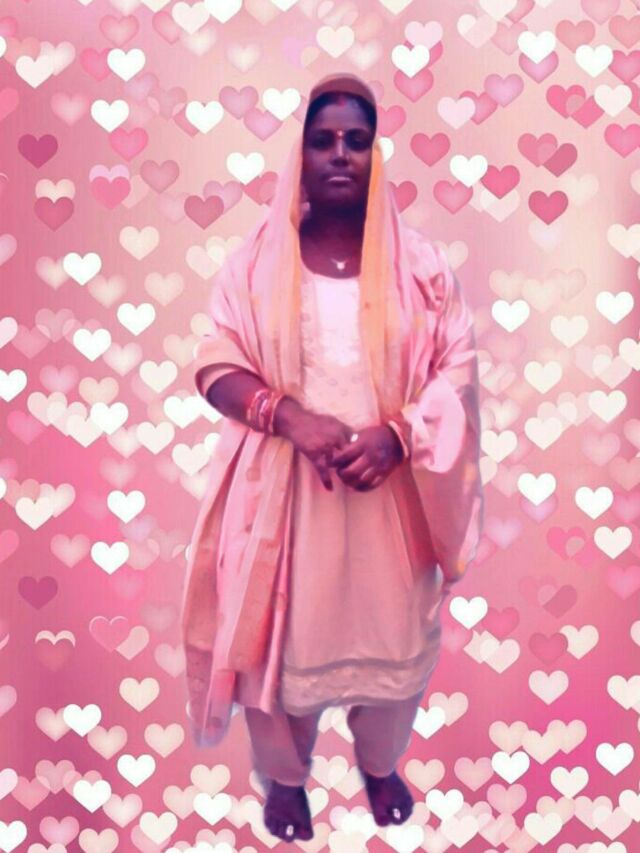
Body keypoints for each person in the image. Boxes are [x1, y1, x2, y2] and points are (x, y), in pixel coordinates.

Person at [181, 71, 484, 842]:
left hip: (393, 498)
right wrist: (289, 418)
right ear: (301, 155)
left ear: (377, 154)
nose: (341, 154)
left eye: (357, 140)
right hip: (287, 501)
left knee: (396, 646)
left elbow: (457, 368)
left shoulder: (423, 267)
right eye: (323, 140)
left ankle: (379, 762)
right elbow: (214, 363)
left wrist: (399, 436)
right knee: (279, 652)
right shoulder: (256, 263)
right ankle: (286, 777)